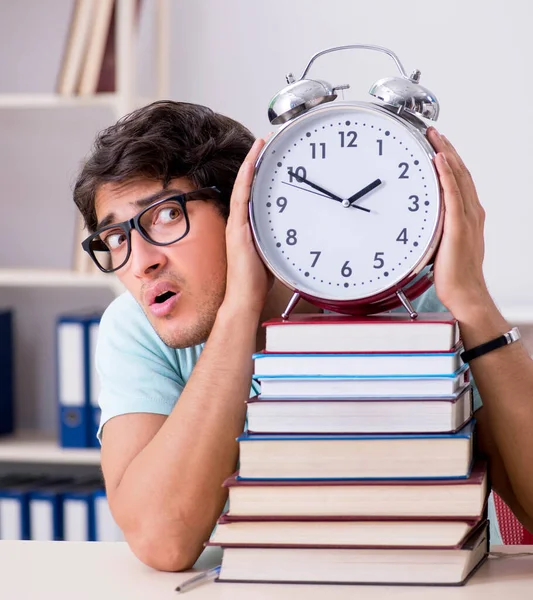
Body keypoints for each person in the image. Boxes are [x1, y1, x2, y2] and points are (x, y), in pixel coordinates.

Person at [73, 100, 533, 571]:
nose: (140, 262)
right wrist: (239, 309)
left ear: (245, 210)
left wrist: (473, 301)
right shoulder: (135, 328)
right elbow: (162, 541)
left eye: (167, 215)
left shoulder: (425, 318)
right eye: (116, 239)